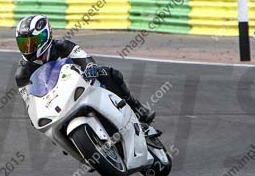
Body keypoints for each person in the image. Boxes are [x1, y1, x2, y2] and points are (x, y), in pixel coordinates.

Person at [14, 15, 155, 124]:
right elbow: (30, 102)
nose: (28, 48)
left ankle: (136, 108)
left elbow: (84, 59)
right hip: (55, 103)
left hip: (78, 85)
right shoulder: (22, 74)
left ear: (45, 36)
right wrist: (34, 115)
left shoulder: (62, 46)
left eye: (32, 42)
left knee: (110, 73)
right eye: (24, 44)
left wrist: (90, 68)